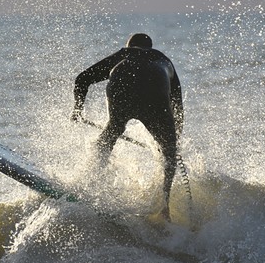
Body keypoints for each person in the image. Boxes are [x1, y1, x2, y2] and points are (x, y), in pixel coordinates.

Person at [70, 33, 184, 220]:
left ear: (131, 46)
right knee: (169, 150)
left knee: (112, 132)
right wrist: (173, 141)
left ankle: (89, 184)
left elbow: (82, 79)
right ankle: (165, 208)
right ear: (150, 47)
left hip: (123, 82)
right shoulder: (165, 61)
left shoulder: (124, 54)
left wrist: (78, 109)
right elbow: (177, 106)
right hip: (156, 86)